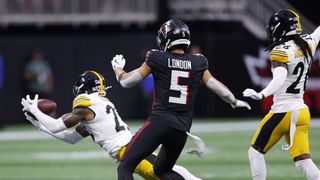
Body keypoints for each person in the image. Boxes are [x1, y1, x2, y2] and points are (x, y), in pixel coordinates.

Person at [111, 19, 251, 179]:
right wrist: (234, 101)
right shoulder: (198, 61)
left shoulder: (157, 57)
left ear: (166, 38)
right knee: (161, 171)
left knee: (125, 166)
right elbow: (219, 89)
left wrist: (118, 68)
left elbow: (126, 82)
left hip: (159, 122)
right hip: (181, 130)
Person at [21, 70, 202, 180]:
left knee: (170, 175)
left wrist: (35, 110)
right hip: (133, 148)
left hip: (128, 150)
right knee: (176, 172)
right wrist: (41, 125)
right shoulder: (95, 110)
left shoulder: (87, 106)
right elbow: (70, 138)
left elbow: (57, 126)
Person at [243, 9, 320, 180]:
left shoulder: (280, 50)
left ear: (280, 28)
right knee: (303, 161)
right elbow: (318, 32)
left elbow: (279, 78)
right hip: (302, 112)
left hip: (283, 111)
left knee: (255, 152)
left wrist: (262, 94)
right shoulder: (308, 42)